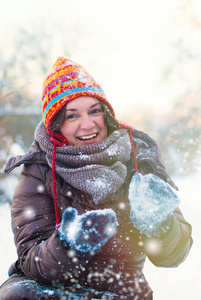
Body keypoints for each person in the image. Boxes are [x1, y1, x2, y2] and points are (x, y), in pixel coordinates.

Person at [0, 57, 192, 300]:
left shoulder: (136, 157)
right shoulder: (39, 168)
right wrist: (68, 245)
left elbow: (173, 255)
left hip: (120, 291)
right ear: (55, 125)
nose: (88, 124)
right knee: (18, 294)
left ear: (107, 114)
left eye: (95, 111)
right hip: (54, 291)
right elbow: (32, 260)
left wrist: (161, 224)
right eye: (72, 116)